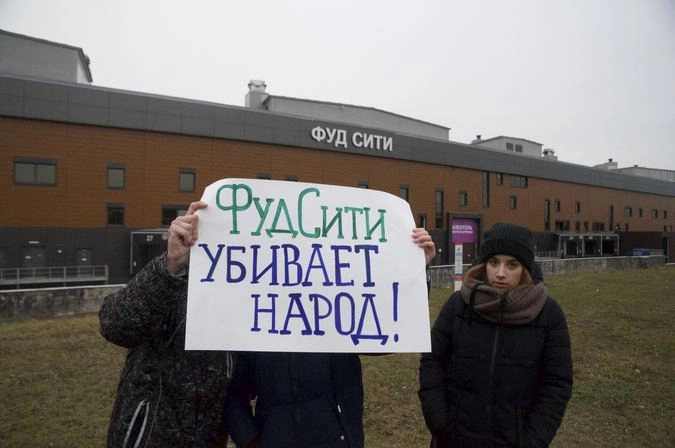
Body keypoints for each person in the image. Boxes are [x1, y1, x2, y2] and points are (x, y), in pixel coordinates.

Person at [224, 228, 436, 448]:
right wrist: (252, 442)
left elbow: (392, 330)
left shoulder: (340, 308)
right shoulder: (257, 317)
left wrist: (416, 270)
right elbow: (233, 395)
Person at [418, 222, 572, 448]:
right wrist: (440, 422)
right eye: (493, 262)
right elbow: (432, 361)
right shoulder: (458, 305)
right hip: (454, 438)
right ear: (483, 265)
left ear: (525, 269)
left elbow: (556, 384)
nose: (500, 273)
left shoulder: (548, 314)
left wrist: (532, 440)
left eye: (512, 264)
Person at [99, 201, 234, 448]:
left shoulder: (244, 303)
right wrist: (170, 265)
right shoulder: (171, 280)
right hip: (148, 437)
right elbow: (114, 325)